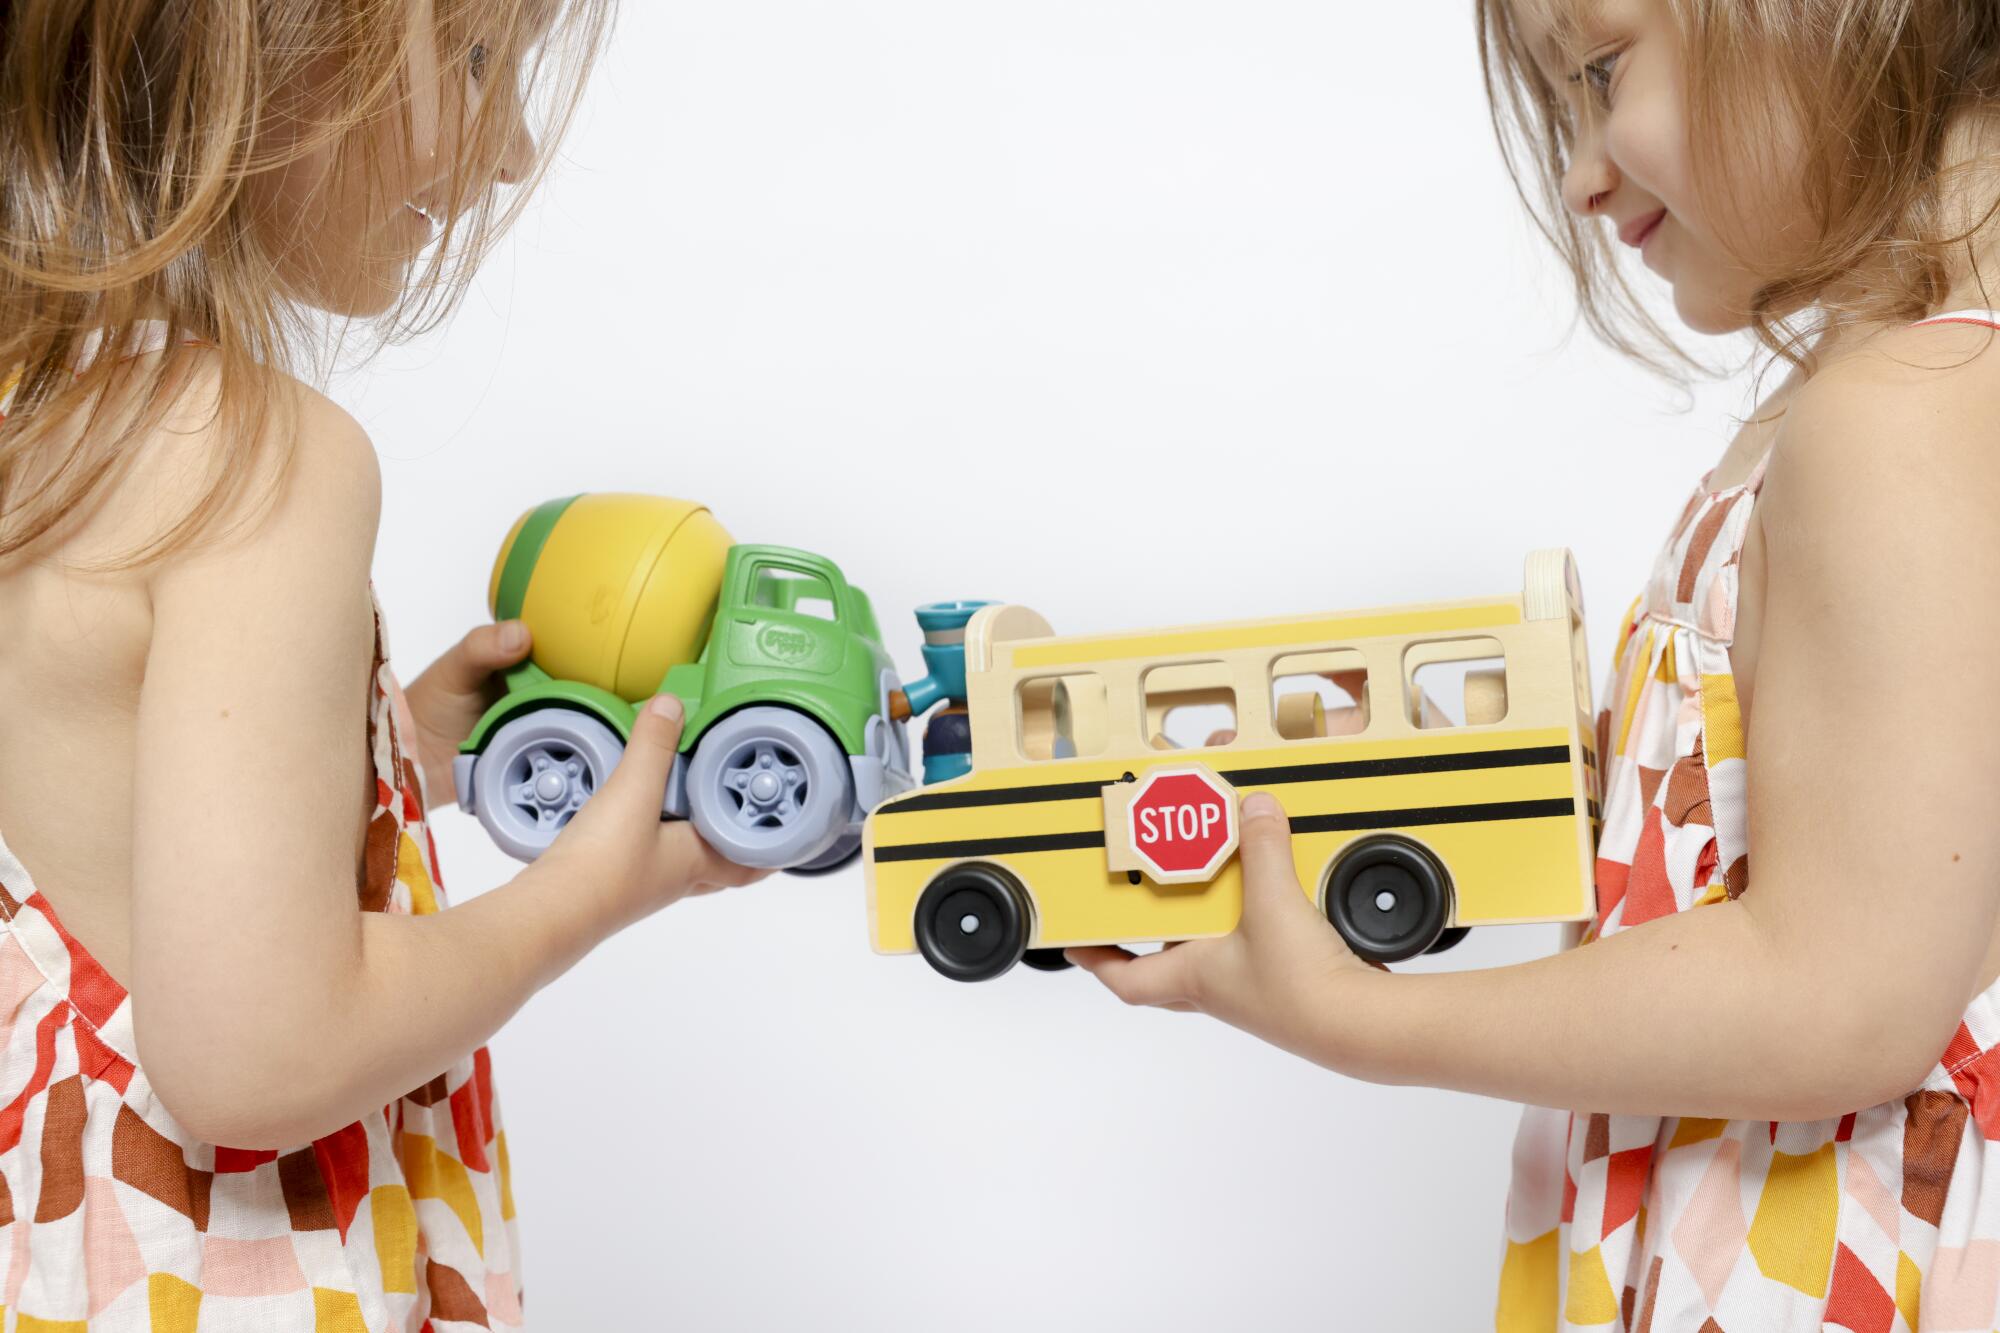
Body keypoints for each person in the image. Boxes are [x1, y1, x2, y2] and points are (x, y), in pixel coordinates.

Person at [1067, 2, 2000, 1328]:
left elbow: (1841, 994)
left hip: (1830, 1264)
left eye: (1603, 73)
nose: (1580, 169)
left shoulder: (1893, 419)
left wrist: (1355, 1019)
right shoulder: (1896, 390)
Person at [0, 2, 762, 1327]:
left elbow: (91, 826)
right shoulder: (257, 464)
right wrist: (589, 892)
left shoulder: (37, 424)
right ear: (263, 45)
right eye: (474, 61)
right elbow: (256, 1051)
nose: (512, 148)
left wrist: (391, 750)